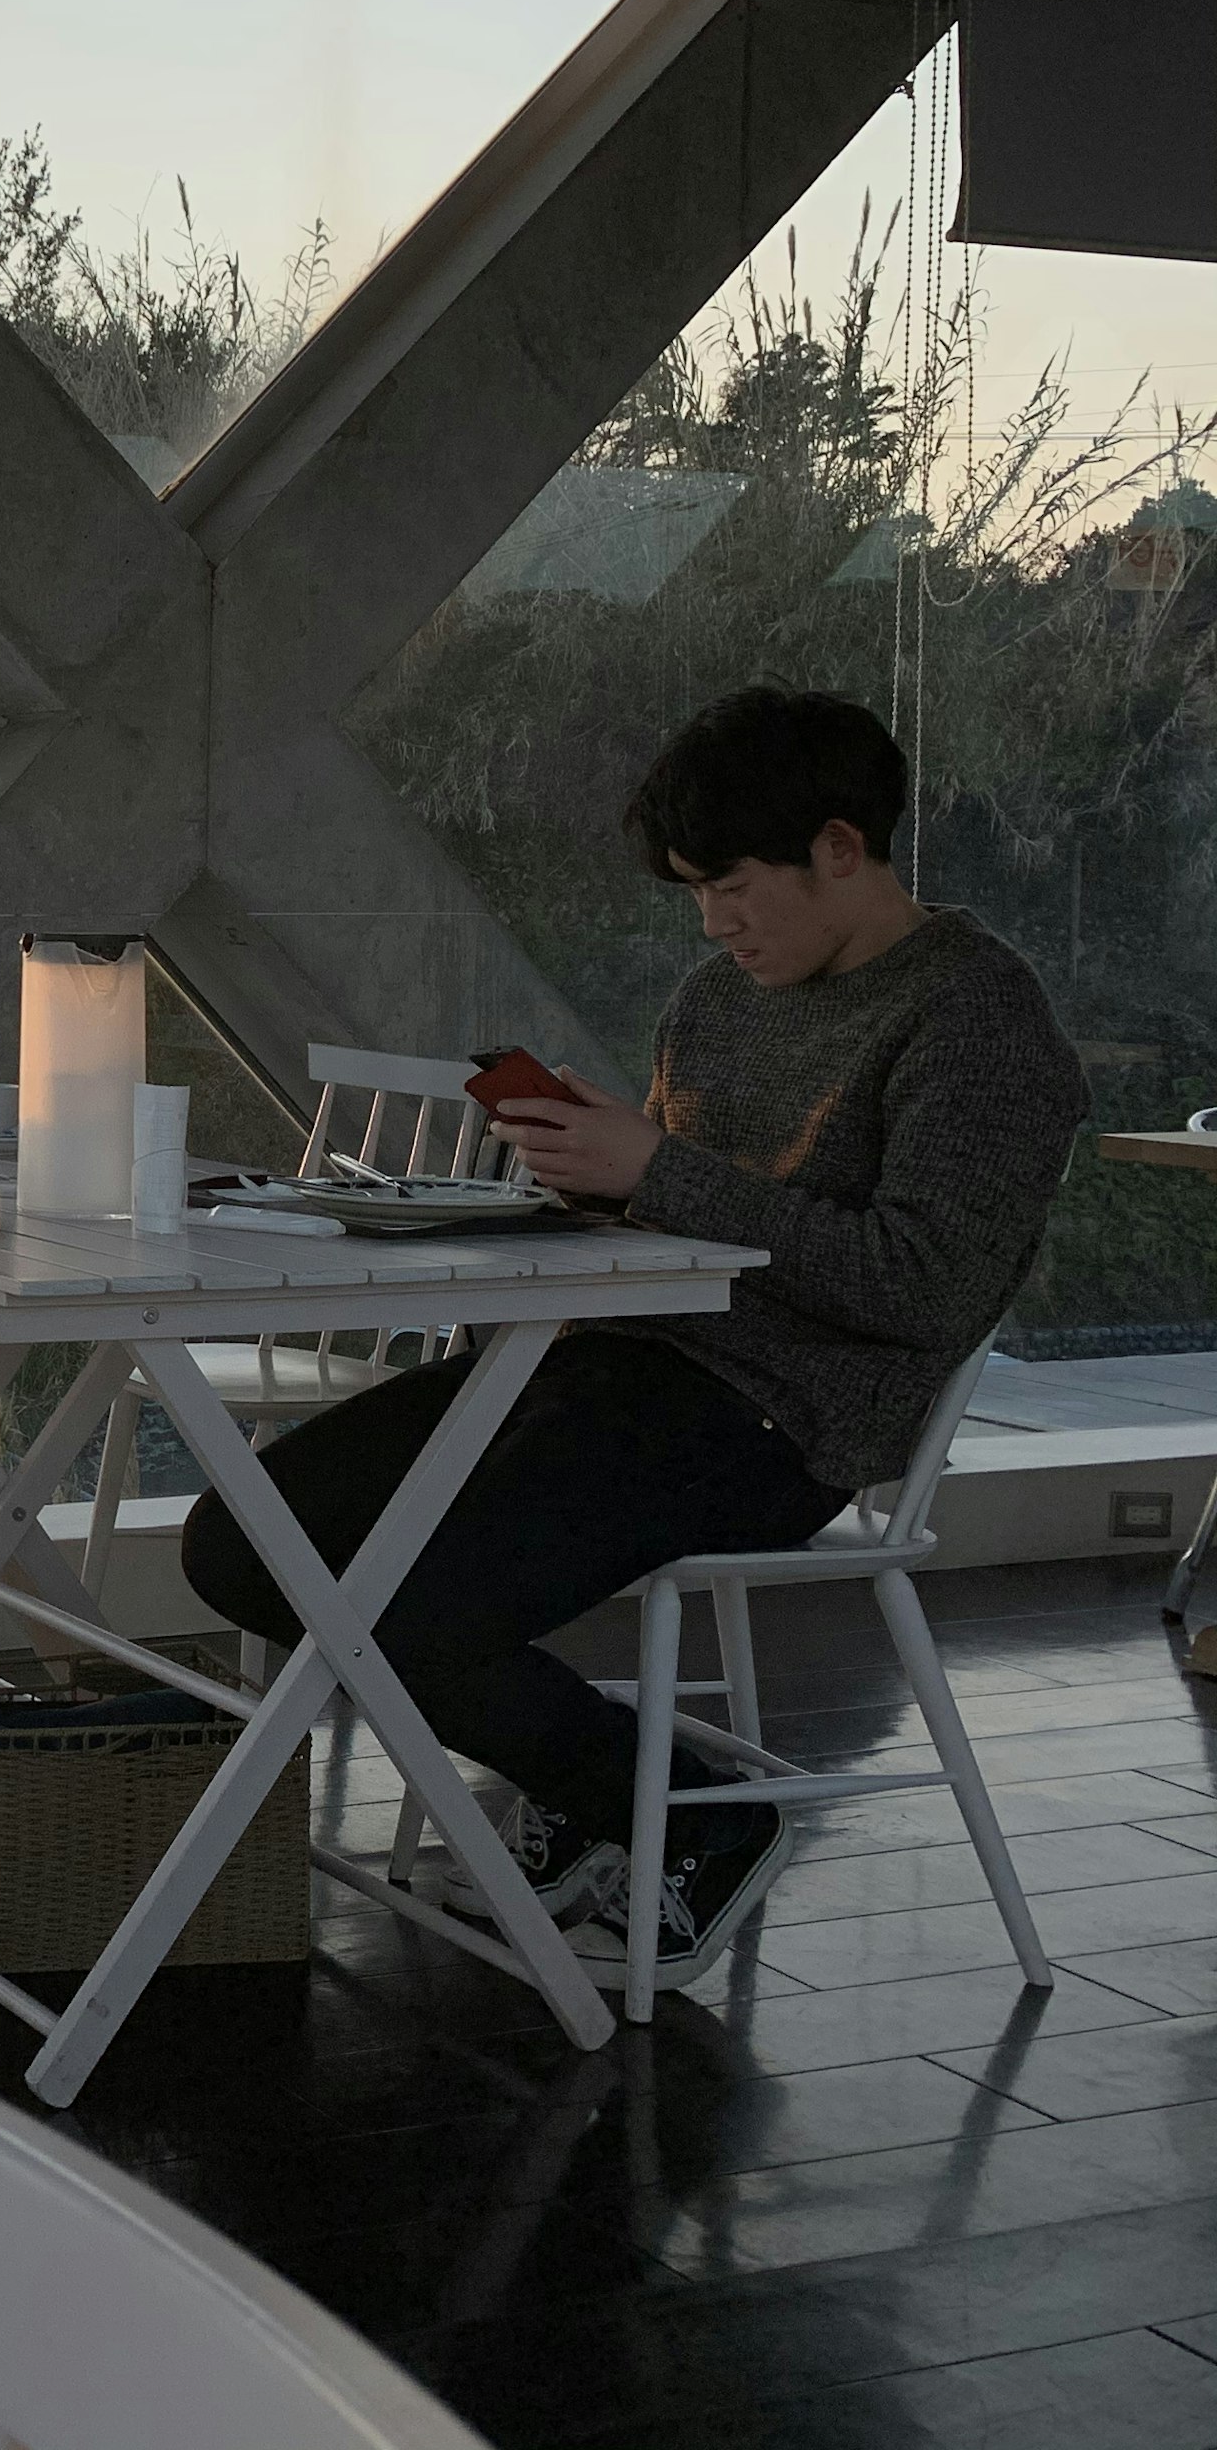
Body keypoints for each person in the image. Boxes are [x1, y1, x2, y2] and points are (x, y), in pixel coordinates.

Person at [182, 685, 1087, 1978]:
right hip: (607, 1362)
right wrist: (594, 1182)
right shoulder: (717, 1001)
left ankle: (690, 1823)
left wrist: (658, 1173)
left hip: (783, 1417)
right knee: (241, 1546)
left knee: (410, 1611)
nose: (715, 923)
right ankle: (612, 1787)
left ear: (842, 848)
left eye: (734, 886)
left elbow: (925, 1283)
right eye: (693, 893)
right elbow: (683, 1214)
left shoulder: (979, 1022)